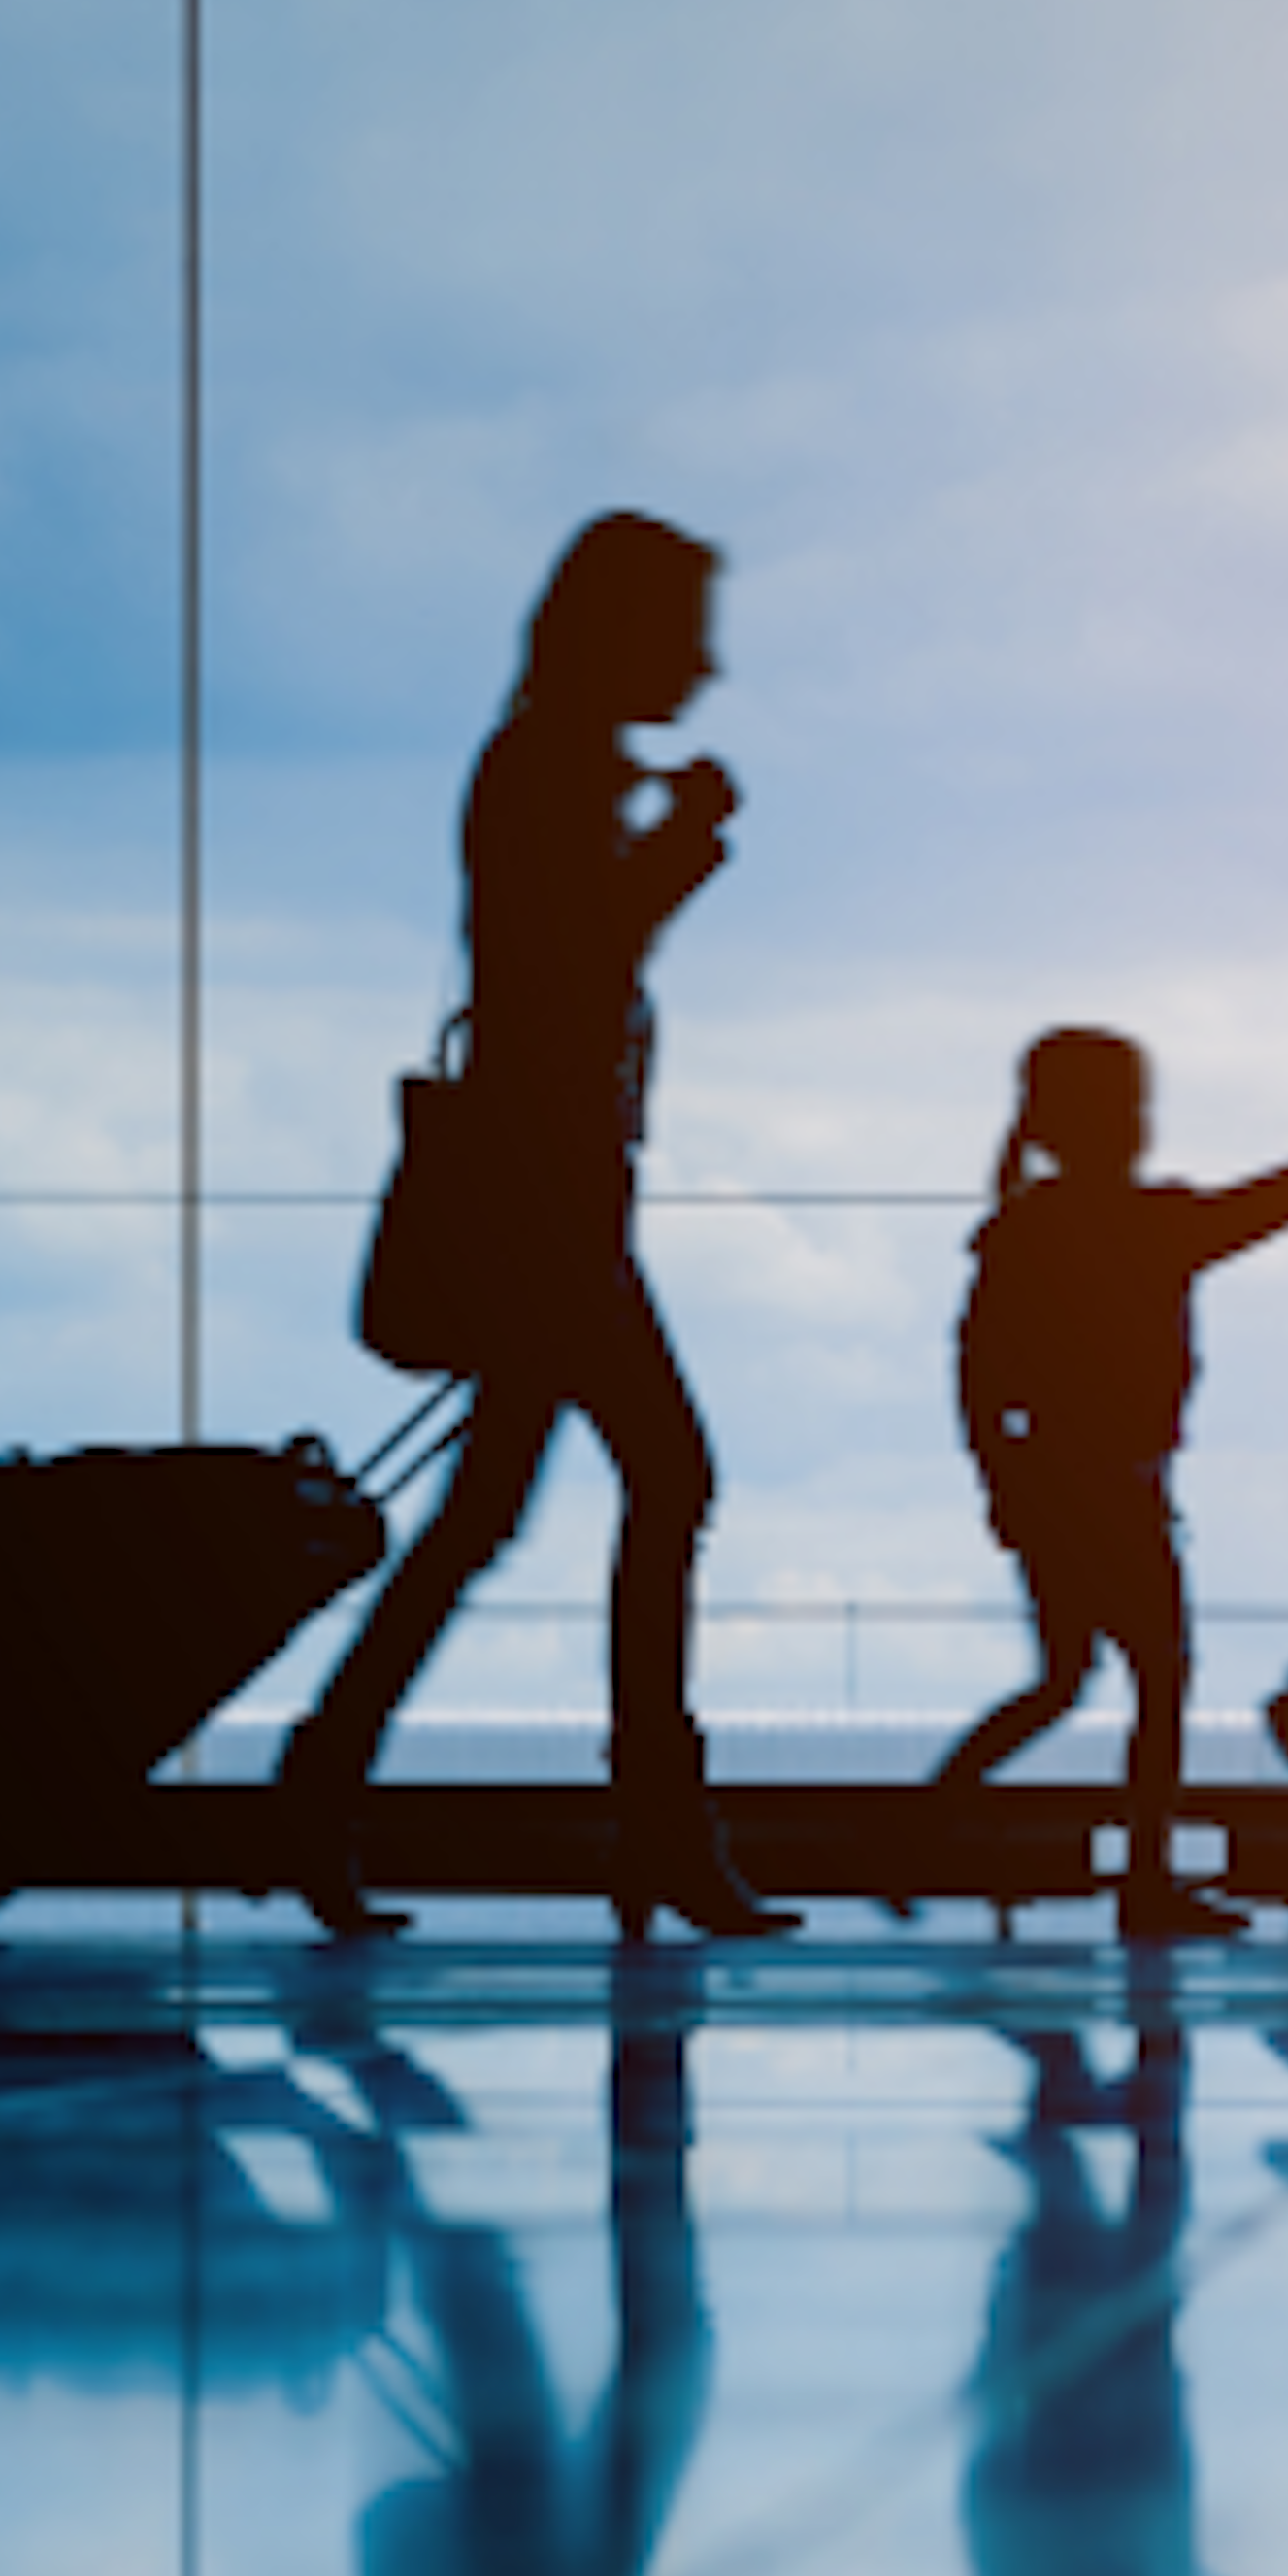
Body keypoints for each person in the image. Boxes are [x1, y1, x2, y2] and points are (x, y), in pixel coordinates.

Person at [280, 511, 791, 1943]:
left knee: (483, 1517)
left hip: (545, 1199)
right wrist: (689, 843)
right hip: (549, 1207)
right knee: (669, 1479)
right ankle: (660, 1833)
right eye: (686, 630)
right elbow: (573, 964)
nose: (705, 664)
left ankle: (325, 1788)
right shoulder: (550, 771)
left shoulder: (544, 765)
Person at [925, 1027, 1288, 1942]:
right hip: (1117, 1492)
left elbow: (978, 1378)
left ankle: (926, 1828)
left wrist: (1002, 1488)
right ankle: (1138, 1880)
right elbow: (1258, 1208)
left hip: (1052, 1488)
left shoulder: (1025, 1231)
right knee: (1156, 1674)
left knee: (1067, 1679)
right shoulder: (1149, 1226)